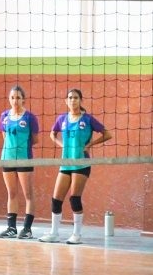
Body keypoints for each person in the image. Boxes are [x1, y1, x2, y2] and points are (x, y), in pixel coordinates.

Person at [39, 88, 112, 244]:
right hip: (66, 163)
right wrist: (62, 145)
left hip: (81, 162)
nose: (73, 100)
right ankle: (54, 233)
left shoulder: (88, 119)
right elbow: (52, 134)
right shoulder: (62, 119)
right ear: (66, 101)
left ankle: (77, 234)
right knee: (56, 199)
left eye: (76, 97)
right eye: (70, 98)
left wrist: (91, 144)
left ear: (80, 100)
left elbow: (108, 134)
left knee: (74, 199)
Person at [0, 86, 39, 239]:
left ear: (23, 99)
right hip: (7, 157)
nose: (15, 100)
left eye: (18, 97)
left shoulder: (29, 117)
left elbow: (35, 140)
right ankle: (11, 228)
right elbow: (4, 136)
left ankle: (27, 229)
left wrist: (21, 148)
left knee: (28, 194)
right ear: (9, 99)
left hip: (24, 158)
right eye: (12, 97)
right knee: (11, 193)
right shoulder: (4, 116)